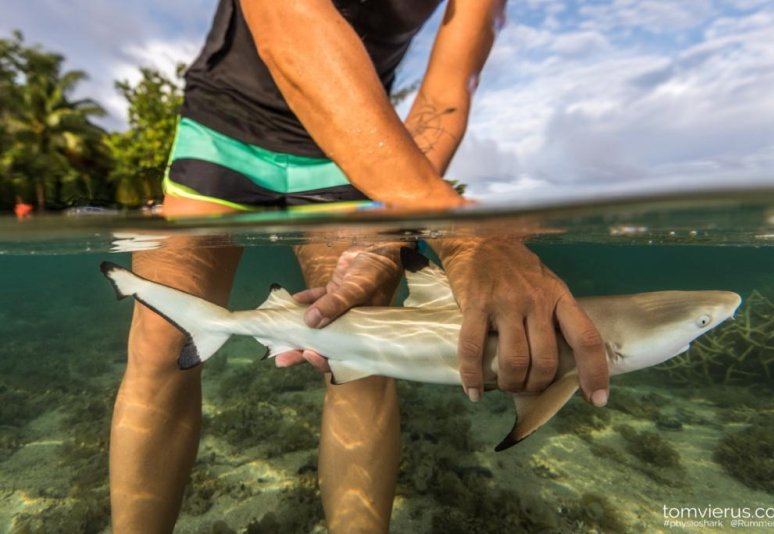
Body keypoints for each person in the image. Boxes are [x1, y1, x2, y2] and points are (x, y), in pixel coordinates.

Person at [109, 0, 610, 532]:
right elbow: (288, 33)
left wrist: (387, 228)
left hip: (353, 154)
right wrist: (457, 232)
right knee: (161, 343)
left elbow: (443, 98)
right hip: (221, 134)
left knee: (364, 358)